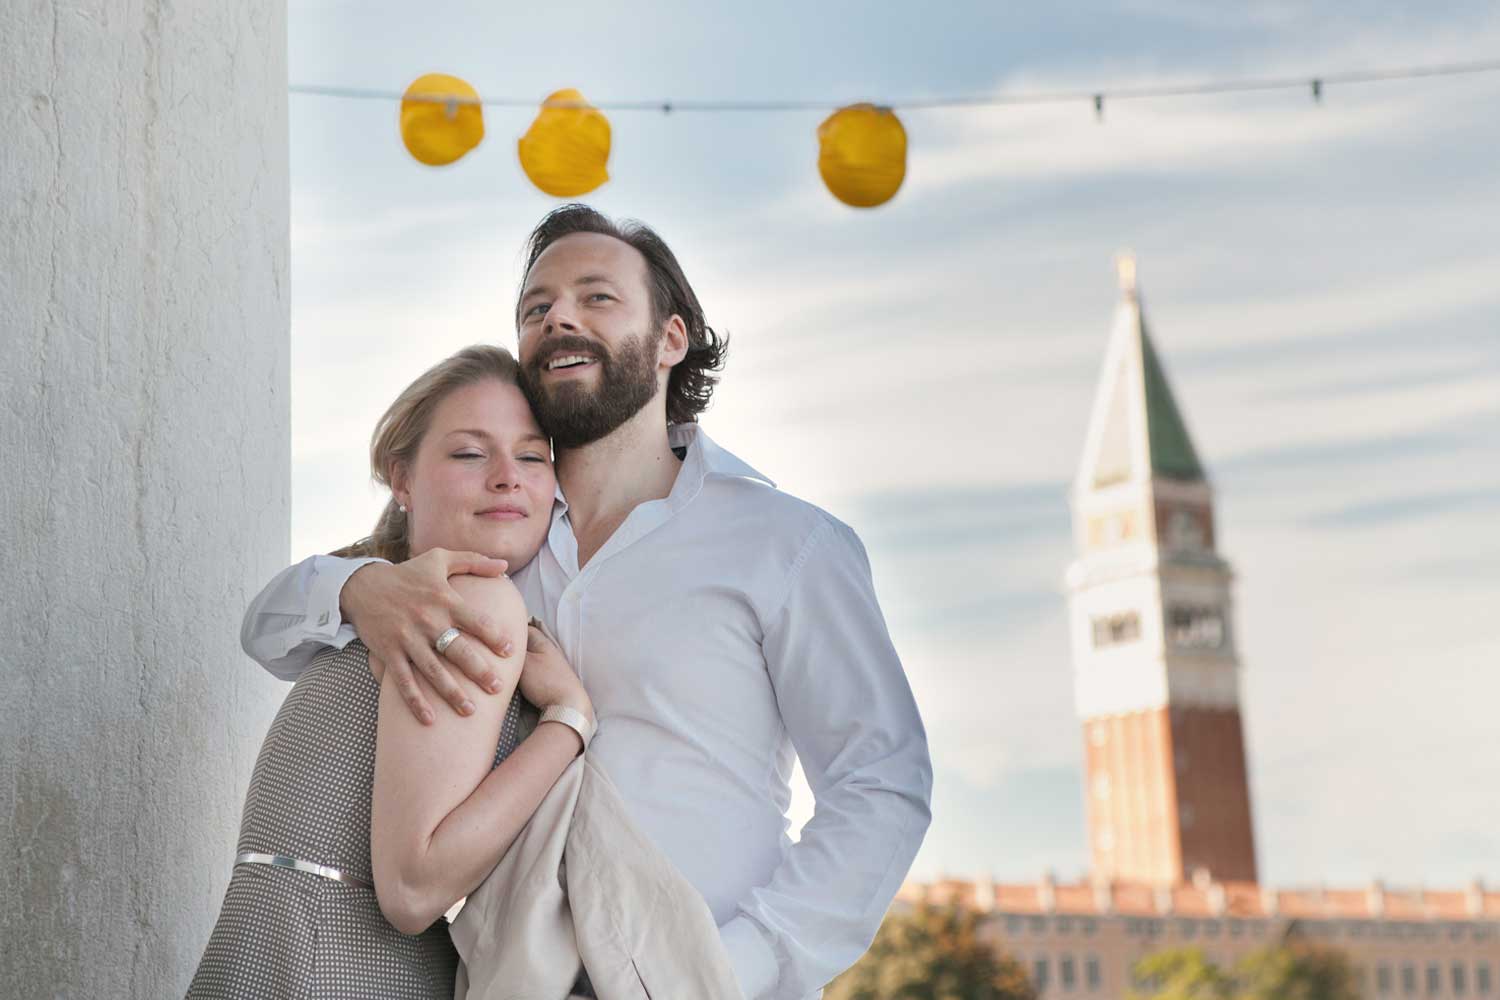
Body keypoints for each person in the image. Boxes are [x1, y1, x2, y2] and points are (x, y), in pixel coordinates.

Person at [241, 206, 934, 999]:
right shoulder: (500, 529)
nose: (558, 316)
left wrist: (742, 965)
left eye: (596, 297)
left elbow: (880, 782)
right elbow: (270, 631)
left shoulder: (786, 544)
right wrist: (359, 587)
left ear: (671, 340)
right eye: (536, 308)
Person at [189, 346, 596, 998]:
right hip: (326, 964)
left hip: (298, 956)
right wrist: (569, 724)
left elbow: (413, 887)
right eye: (469, 453)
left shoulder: (476, 602)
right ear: (401, 479)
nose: (506, 477)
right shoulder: (439, 600)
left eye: (531, 456)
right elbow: (413, 890)